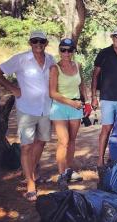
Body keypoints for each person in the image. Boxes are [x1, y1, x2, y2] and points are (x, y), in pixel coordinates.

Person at [0, 30, 55, 201]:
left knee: (41, 142)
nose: (38, 44)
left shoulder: (51, 60)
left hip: (46, 108)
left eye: (42, 41)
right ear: (30, 42)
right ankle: (30, 184)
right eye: (35, 41)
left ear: (46, 43)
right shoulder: (20, 59)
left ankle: (33, 172)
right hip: (27, 109)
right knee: (26, 146)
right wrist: (12, 89)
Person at [49, 38, 91, 191]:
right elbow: (52, 93)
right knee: (63, 141)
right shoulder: (55, 68)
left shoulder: (77, 65)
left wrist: (86, 102)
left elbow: (81, 85)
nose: (66, 53)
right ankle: (61, 175)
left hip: (76, 107)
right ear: (59, 51)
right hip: (60, 107)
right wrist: (71, 103)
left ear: (74, 51)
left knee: (72, 140)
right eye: (63, 50)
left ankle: (68, 171)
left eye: (69, 50)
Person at [90, 27, 117, 174]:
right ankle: (100, 160)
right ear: (112, 38)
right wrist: (93, 97)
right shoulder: (104, 53)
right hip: (107, 98)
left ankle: (114, 158)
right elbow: (95, 75)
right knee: (106, 129)